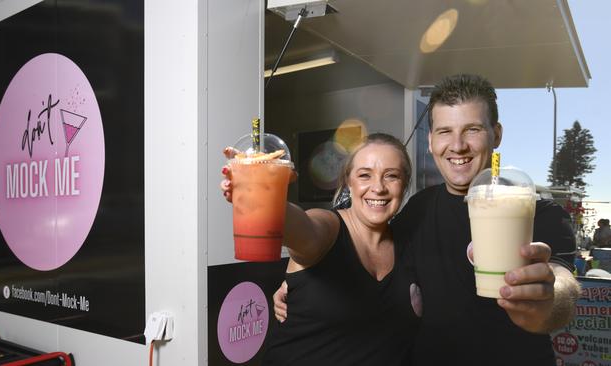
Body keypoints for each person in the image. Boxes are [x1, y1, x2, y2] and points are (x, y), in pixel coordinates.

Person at [273, 74, 580, 366]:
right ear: (432, 140)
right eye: (445, 131)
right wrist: (302, 282)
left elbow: (563, 286)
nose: (457, 145)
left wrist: (547, 300)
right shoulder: (416, 210)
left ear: (496, 134)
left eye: (472, 129)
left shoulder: (538, 212)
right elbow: (357, 255)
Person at [221, 133, 420, 365]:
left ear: (404, 184)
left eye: (391, 176)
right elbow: (303, 228)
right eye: (365, 175)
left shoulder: (410, 246)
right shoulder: (328, 227)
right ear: (348, 182)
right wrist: (262, 192)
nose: (378, 187)